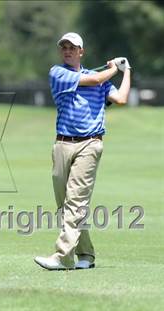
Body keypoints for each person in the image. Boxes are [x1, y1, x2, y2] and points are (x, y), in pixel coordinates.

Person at [34, 32, 131, 270]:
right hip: (62, 144)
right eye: (64, 47)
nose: (67, 50)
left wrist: (127, 71)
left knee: (75, 202)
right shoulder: (58, 73)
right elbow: (96, 81)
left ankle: (63, 256)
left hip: (90, 144)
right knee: (65, 205)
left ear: (81, 52)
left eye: (72, 47)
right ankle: (86, 254)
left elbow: (120, 98)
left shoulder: (99, 77)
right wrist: (114, 69)